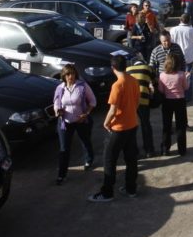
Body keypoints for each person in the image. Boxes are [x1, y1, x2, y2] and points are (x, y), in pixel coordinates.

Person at [88, 53, 140, 202]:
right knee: (131, 159)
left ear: (113, 68)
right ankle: (131, 188)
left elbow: (112, 109)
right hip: (132, 124)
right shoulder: (133, 80)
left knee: (109, 159)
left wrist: (106, 122)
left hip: (118, 128)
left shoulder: (117, 85)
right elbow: (136, 103)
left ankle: (107, 192)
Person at [53, 65, 96, 185]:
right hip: (65, 122)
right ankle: (62, 174)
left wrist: (86, 114)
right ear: (64, 76)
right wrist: (58, 111)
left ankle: (88, 160)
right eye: (68, 74)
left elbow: (93, 101)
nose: (70, 76)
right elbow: (56, 103)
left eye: (72, 74)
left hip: (81, 121)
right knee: (64, 148)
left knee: (85, 140)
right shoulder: (60, 88)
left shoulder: (82, 86)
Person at [157, 55, 188, 156]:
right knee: (181, 126)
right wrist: (187, 78)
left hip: (167, 101)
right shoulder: (181, 74)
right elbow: (186, 87)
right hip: (180, 101)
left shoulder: (162, 75)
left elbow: (161, 90)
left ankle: (165, 149)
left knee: (167, 126)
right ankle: (182, 149)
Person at [127, 55, 157, 159]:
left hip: (131, 102)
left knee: (132, 126)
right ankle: (149, 150)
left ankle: (134, 151)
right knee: (145, 124)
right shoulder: (147, 68)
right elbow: (154, 82)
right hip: (143, 100)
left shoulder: (128, 70)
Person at [169, 14, 193, 101]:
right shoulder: (191, 30)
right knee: (188, 77)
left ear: (180, 20)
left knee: (176, 76)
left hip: (177, 57)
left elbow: (171, 41)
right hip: (188, 57)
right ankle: (188, 96)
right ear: (189, 20)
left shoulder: (173, 30)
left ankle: (177, 94)